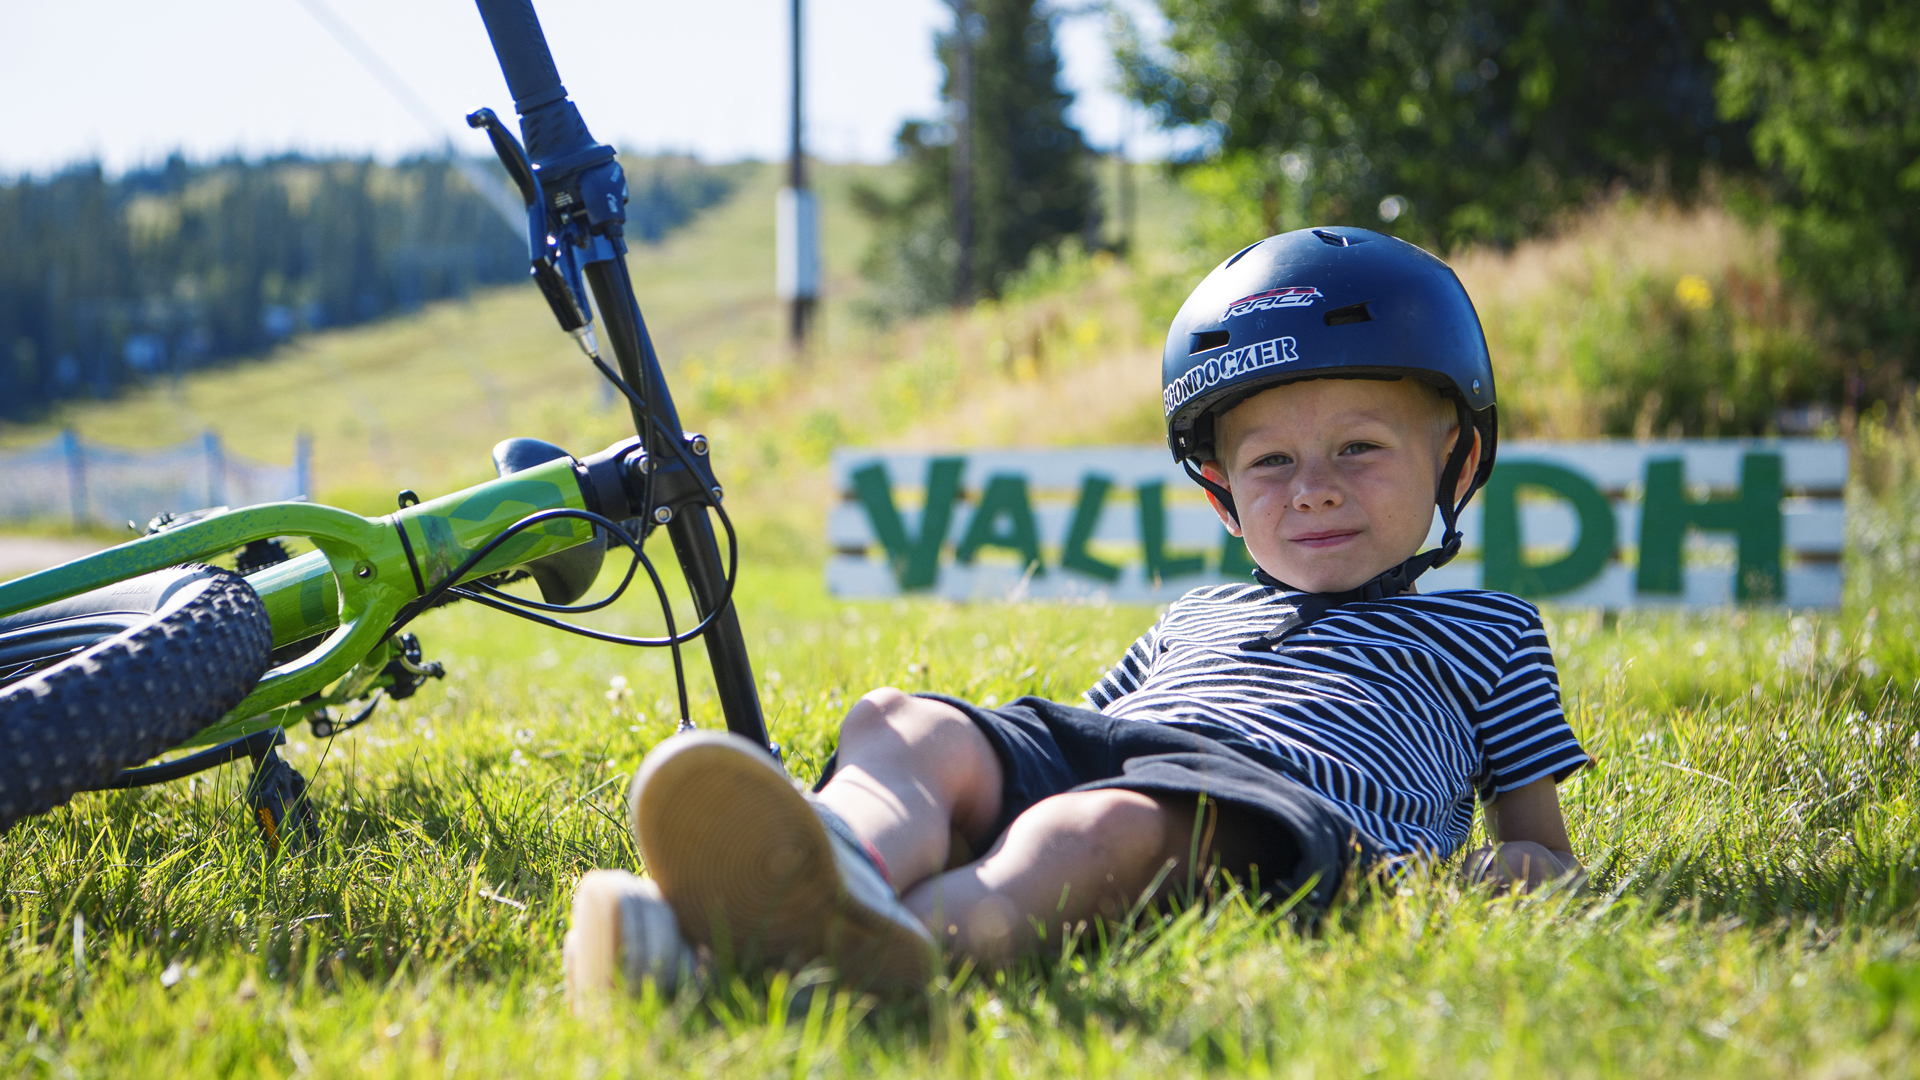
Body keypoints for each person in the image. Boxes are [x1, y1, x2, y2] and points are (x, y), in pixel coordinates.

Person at [563, 226, 1589, 1003]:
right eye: (1272, 461)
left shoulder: (1490, 631)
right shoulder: (1196, 613)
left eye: (1358, 449)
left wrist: (1516, 871)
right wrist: (978, 771)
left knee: (1088, 827)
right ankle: (829, 867)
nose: (1313, 489)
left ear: (1455, 457)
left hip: (1291, 815)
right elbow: (1081, 738)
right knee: (903, 723)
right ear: (1222, 494)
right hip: (1139, 756)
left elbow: (1541, 845)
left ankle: (826, 963)